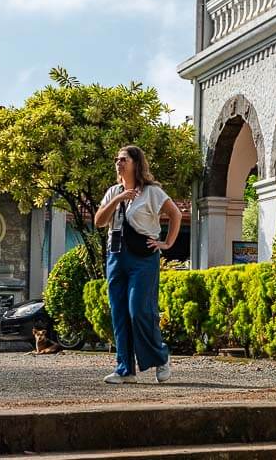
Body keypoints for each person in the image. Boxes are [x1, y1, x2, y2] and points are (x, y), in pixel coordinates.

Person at [93, 145, 181, 385]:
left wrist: (167, 243)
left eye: (123, 159)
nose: (118, 163)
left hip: (143, 257)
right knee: (119, 313)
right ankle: (125, 369)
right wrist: (119, 198)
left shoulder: (152, 192)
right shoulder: (113, 191)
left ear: (135, 163)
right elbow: (99, 221)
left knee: (139, 310)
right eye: (116, 159)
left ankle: (161, 357)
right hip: (116, 255)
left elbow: (175, 215)